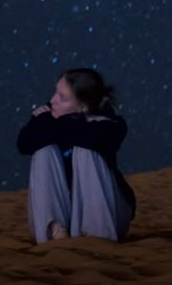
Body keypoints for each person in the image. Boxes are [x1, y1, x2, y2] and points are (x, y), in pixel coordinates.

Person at [17, 67, 136, 243]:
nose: (52, 101)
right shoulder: (53, 117)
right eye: (55, 93)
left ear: (84, 106)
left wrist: (52, 124)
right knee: (44, 150)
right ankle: (56, 231)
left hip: (111, 215)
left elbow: (95, 138)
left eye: (62, 97)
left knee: (85, 149)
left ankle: (95, 236)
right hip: (65, 215)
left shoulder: (112, 124)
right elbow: (24, 143)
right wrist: (75, 122)